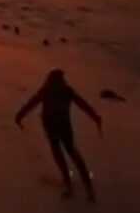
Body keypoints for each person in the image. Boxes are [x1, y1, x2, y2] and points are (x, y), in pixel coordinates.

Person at [15, 69, 102, 201]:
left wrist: (20, 115)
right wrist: (94, 116)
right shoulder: (66, 91)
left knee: (58, 153)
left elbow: (32, 103)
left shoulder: (47, 90)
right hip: (62, 126)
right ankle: (86, 185)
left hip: (52, 126)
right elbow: (82, 104)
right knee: (72, 152)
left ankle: (68, 182)